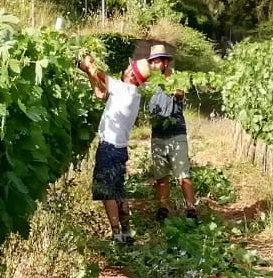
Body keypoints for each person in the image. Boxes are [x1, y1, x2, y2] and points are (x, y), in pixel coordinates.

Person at [77, 53, 146, 245]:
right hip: (120, 149)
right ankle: (127, 233)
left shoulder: (124, 88)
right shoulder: (134, 94)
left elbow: (100, 75)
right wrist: (89, 73)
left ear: (132, 76)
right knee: (119, 192)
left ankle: (116, 236)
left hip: (108, 148)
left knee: (107, 193)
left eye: (129, 68)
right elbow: (100, 93)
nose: (125, 69)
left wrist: (86, 62)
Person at [146, 43, 198, 220]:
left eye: (156, 62)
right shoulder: (149, 83)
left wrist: (165, 83)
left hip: (176, 133)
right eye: (151, 62)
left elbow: (179, 92)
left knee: (183, 174)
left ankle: (191, 210)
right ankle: (163, 209)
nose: (152, 65)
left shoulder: (177, 79)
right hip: (157, 134)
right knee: (161, 176)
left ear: (166, 62)